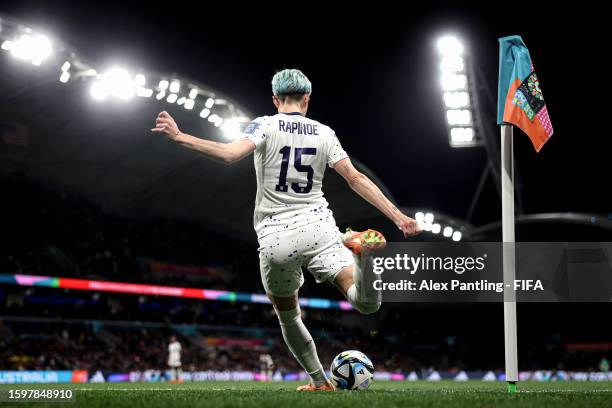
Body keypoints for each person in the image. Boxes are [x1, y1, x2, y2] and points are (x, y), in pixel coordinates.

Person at [152, 68, 420, 391]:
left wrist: (180, 137)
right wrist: (397, 217)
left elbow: (228, 155)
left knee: (289, 316)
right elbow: (355, 179)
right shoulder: (324, 132)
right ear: (307, 99)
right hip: (319, 226)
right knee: (367, 304)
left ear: (276, 100)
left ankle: (320, 382)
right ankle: (363, 258)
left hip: (276, 236)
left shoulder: (264, 124)